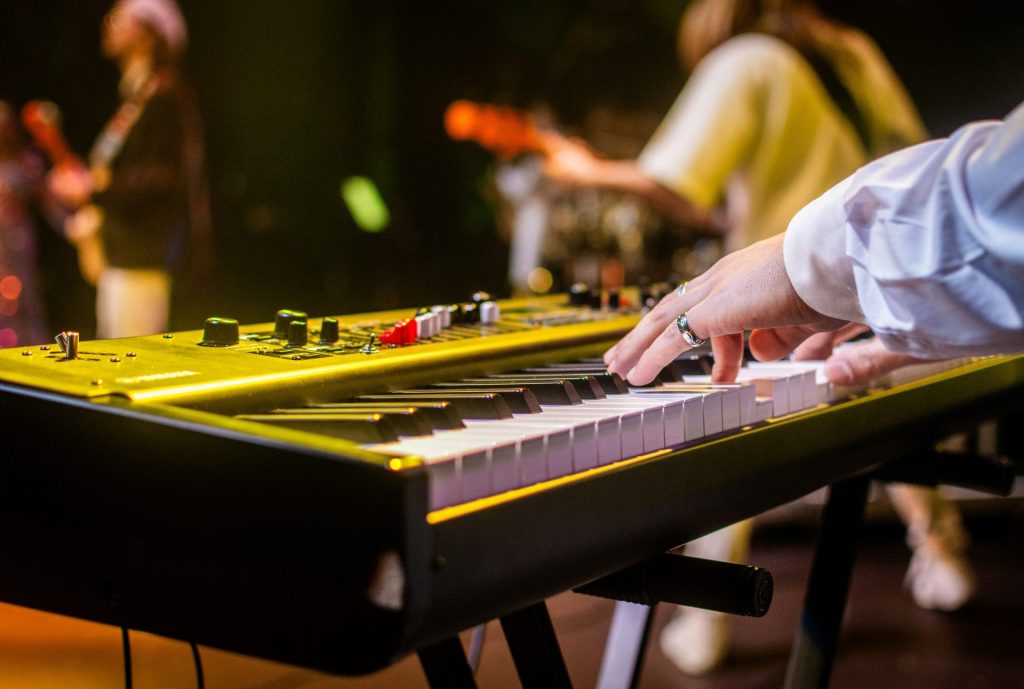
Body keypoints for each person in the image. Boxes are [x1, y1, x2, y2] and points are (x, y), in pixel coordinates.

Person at [539, 0, 973, 673]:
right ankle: (942, 551)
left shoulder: (744, 59)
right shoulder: (853, 51)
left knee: (731, 426)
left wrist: (582, 167)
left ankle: (706, 623)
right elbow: (917, 168)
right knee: (883, 410)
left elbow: (677, 181)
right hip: (875, 288)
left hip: (778, 295)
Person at [48, 0, 209, 339]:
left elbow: (164, 177)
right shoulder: (140, 95)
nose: (110, 24)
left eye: (122, 18)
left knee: (130, 363)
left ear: (151, 35)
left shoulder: (163, 93)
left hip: (142, 255)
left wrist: (96, 188)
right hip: (125, 252)